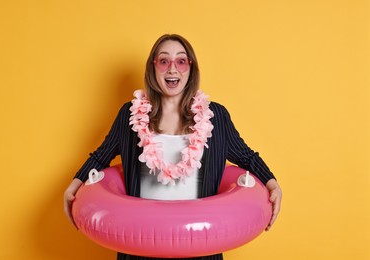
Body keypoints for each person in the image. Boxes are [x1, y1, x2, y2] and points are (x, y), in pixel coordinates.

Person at [64, 34, 282, 260]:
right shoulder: (130, 115)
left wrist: (273, 184)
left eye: (181, 61)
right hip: (140, 244)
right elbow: (101, 157)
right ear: (153, 67)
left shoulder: (216, 116)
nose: (172, 69)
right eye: (164, 61)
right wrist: (75, 184)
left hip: (199, 244)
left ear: (190, 68)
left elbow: (246, 157)